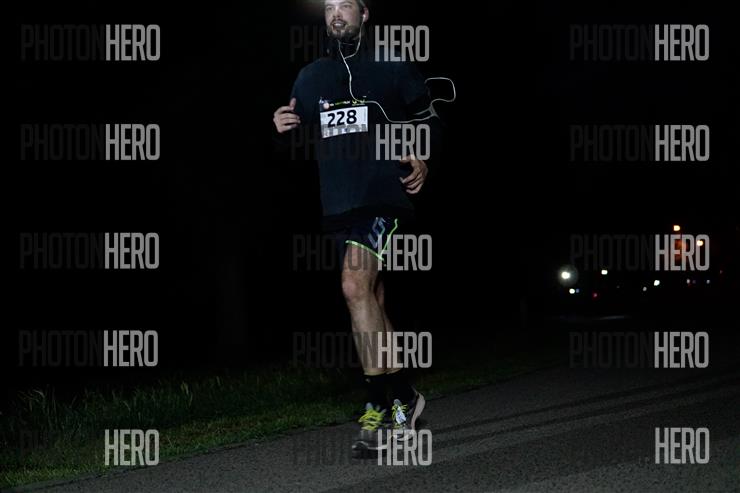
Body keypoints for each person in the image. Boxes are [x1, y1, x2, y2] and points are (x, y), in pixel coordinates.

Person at [273, 0, 440, 455]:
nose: (335, 13)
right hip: (338, 203)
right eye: (328, 6)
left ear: (364, 13)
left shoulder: (392, 64)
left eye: (344, 4)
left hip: (383, 194)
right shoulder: (310, 77)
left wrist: (422, 155)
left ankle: (377, 405)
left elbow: (428, 117)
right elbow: (296, 131)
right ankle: (405, 398)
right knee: (370, 298)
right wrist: (281, 127)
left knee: (352, 285)